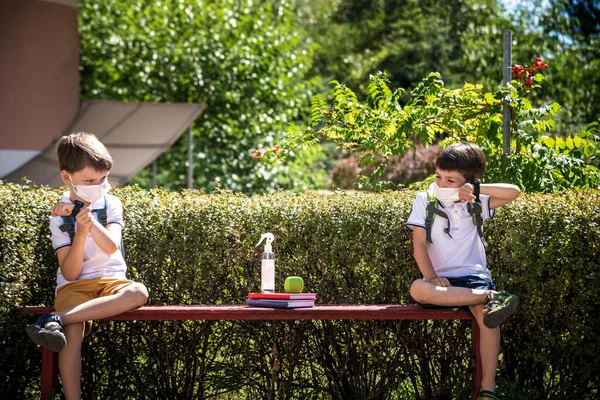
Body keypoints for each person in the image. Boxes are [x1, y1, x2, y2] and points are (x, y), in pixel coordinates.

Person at [26, 132, 148, 399]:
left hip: (112, 281)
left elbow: (111, 247)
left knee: (138, 292)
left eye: (102, 179)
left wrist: (89, 222)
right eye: (89, 180)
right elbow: (70, 272)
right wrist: (79, 232)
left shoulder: (111, 203)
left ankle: (53, 319)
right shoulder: (59, 215)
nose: (98, 185)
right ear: (67, 177)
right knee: (71, 332)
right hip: (75, 285)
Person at [406, 142, 520, 400]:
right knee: (418, 288)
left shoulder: (477, 201)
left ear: (469, 182)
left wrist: (476, 189)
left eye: (451, 180)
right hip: (440, 281)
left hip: (474, 278)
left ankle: (488, 389)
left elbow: (514, 192)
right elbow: (419, 246)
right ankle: (492, 295)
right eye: (438, 176)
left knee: (488, 317)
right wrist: (432, 277)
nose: (442, 184)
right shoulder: (425, 199)